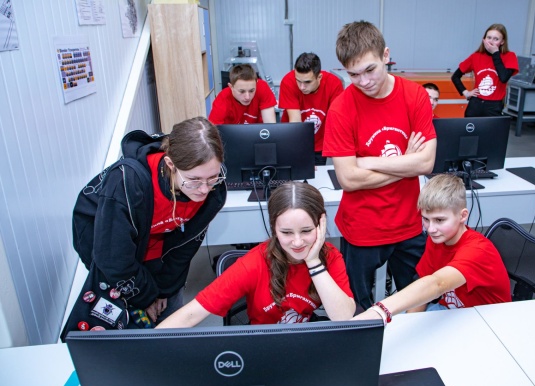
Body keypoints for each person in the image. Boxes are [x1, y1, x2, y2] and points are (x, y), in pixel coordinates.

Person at [322, 20, 437, 311]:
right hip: (362, 228)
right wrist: (405, 163)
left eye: (370, 70)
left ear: (386, 55)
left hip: (409, 223)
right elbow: (349, 180)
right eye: (353, 74)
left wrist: (369, 162)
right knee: (357, 308)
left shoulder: (415, 96)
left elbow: (426, 162)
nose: (363, 82)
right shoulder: (341, 108)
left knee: (417, 301)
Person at [72, 116, 227, 328]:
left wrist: (163, 290)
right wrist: (145, 296)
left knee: (170, 318)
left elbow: (184, 249)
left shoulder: (214, 189)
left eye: (212, 178)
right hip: (110, 248)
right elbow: (114, 259)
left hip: (157, 244)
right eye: (194, 180)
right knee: (127, 326)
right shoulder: (127, 182)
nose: (204, 189)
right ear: (170, 164)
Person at [156, 182, 356, 327]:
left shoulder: (330, 257)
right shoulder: (254, 263)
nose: (297, 242)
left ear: (321, 224)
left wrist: (313, 262)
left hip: (304, 342)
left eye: (306, 231)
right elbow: (191, 314)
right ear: (274, 229)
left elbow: (344, 317)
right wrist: (148, 349)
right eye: (286, 232)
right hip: (262, 346)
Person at [354, 174, 511, 323]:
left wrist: (381, 310)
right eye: (426, 219)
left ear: (463, 216)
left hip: (486, 321)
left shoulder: (478, 250)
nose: (431, 229)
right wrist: (410, 324)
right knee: (397, 326)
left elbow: (437, 284)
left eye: (439, 220)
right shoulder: (438, 239)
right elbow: (424, 283)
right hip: (451, 311)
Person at [279, 52, 344, 165]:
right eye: (298, 81)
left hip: (319, 145)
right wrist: (300, 157)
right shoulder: (288, 81)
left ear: (319, 77)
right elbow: (295, 122)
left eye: (307, 82)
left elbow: (335, 122)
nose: (302, 87)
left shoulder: (333, 84)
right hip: (293, 141)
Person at [451, 23, 519, 117]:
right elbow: (455, 76)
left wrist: (495, 53)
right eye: (489, 37)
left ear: (502, 42)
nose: (491, 42)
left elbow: (503, 78)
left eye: (496, 39)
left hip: (494, 106)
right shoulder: (475, 56)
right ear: (484, 39)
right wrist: (466, 93)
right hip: (475, 104)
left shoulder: (509, 56)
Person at [208, 63, 277, 124]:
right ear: (231, 87)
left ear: (256, 84)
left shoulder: (262, 87)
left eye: (251, 91)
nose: (247, 97)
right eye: (242, 91)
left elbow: (270, 125)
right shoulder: (222, 99)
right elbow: (213, 131)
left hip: (259, 133)